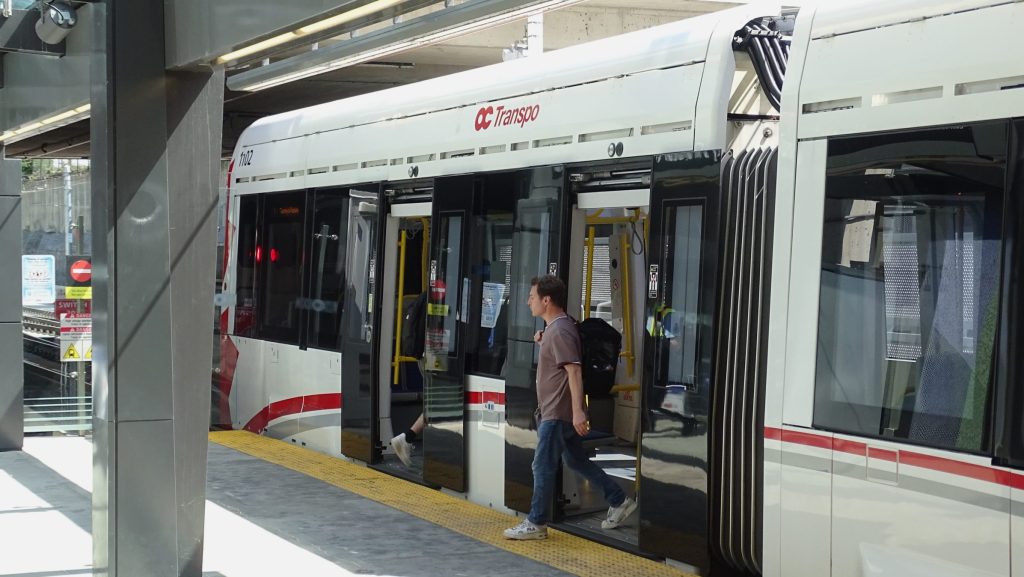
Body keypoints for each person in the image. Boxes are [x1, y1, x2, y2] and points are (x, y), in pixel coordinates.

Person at [503, 275, 637, 541]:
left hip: (557, 414)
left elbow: (574, 372)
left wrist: (578, 411)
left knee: (541, 466)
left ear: (546, 300)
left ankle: (536, 522)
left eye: (532, 297)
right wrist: (544, 343)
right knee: (575, 460)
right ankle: (619, 499)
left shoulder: (561, 330)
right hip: (555, 412)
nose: (528, 301)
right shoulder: (556, 330)